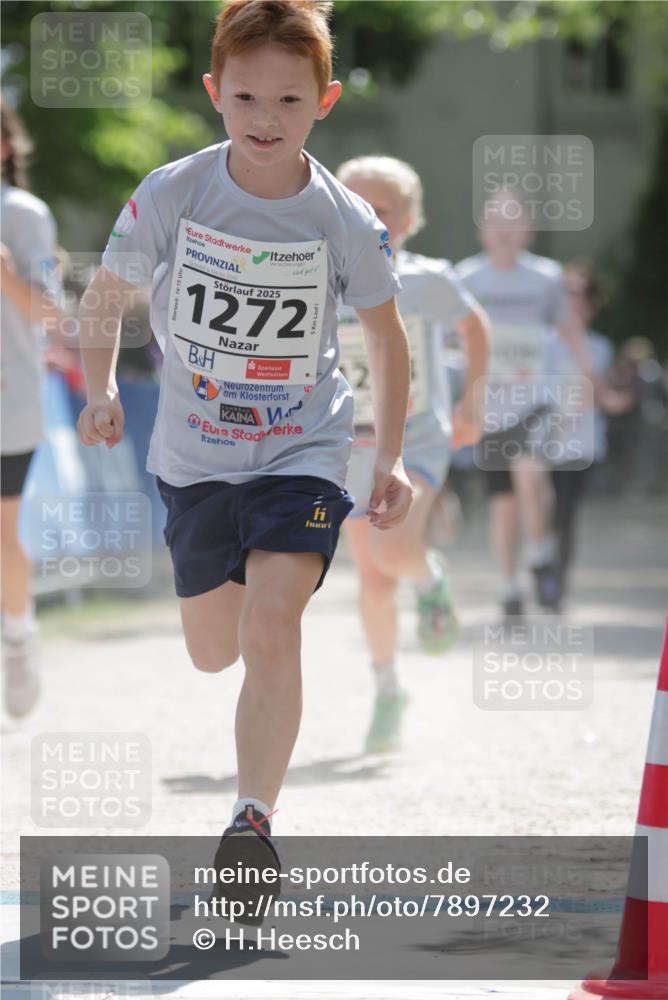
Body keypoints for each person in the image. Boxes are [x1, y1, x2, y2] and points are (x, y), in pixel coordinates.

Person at [75, 0, 412, 920]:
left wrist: (383, 446)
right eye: (249, 98)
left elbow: (386, 336)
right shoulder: (176, 189)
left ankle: (251, 822)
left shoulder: (343, 218)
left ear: (325, 102)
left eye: (290, 102)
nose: (267, 119)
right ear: (214, 92)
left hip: (305, 447)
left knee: (274, 620)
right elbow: (108, 293)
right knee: (212, 651)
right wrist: (100, 387)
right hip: (194, 456)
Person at [336, 155, 488, 753]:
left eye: (384, 210)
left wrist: (472, 401)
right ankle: (388, 690)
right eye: (357, 207)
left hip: (418, 438)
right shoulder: (318, 275)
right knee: (372, 579)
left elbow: (475, 327)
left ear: (408, 220)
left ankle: (430, 579)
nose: (370, 219)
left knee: (393, 545)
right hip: (346, 444)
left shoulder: (427, 280)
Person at [456, 190, 569, 622]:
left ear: (529, 230)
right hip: (489, 405)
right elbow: (451, 339)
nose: (503, 233)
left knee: (531, 475)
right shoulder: (466, 279)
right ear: (481, 230)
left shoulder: (547, 278)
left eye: (513, 223)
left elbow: (567, 334)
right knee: (503, 506)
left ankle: (540, 553)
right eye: (495, 223)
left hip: (535, 400)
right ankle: (508, 587)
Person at [1, 97, 61, 717]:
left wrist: (2, 272)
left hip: (7, 404)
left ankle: (18, 636)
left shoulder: (23, 214)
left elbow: (49, 312)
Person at [547, 262, 632, 599]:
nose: (570, 300)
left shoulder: (598, 347)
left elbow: (601, 394)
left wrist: (578, 343)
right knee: (537, 509)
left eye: (578, 293)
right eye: (564, 292)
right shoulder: (541, 340)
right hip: (537, 445)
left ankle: (557, 583)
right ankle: (536, 568)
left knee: (564, 515)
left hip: (578, 446)